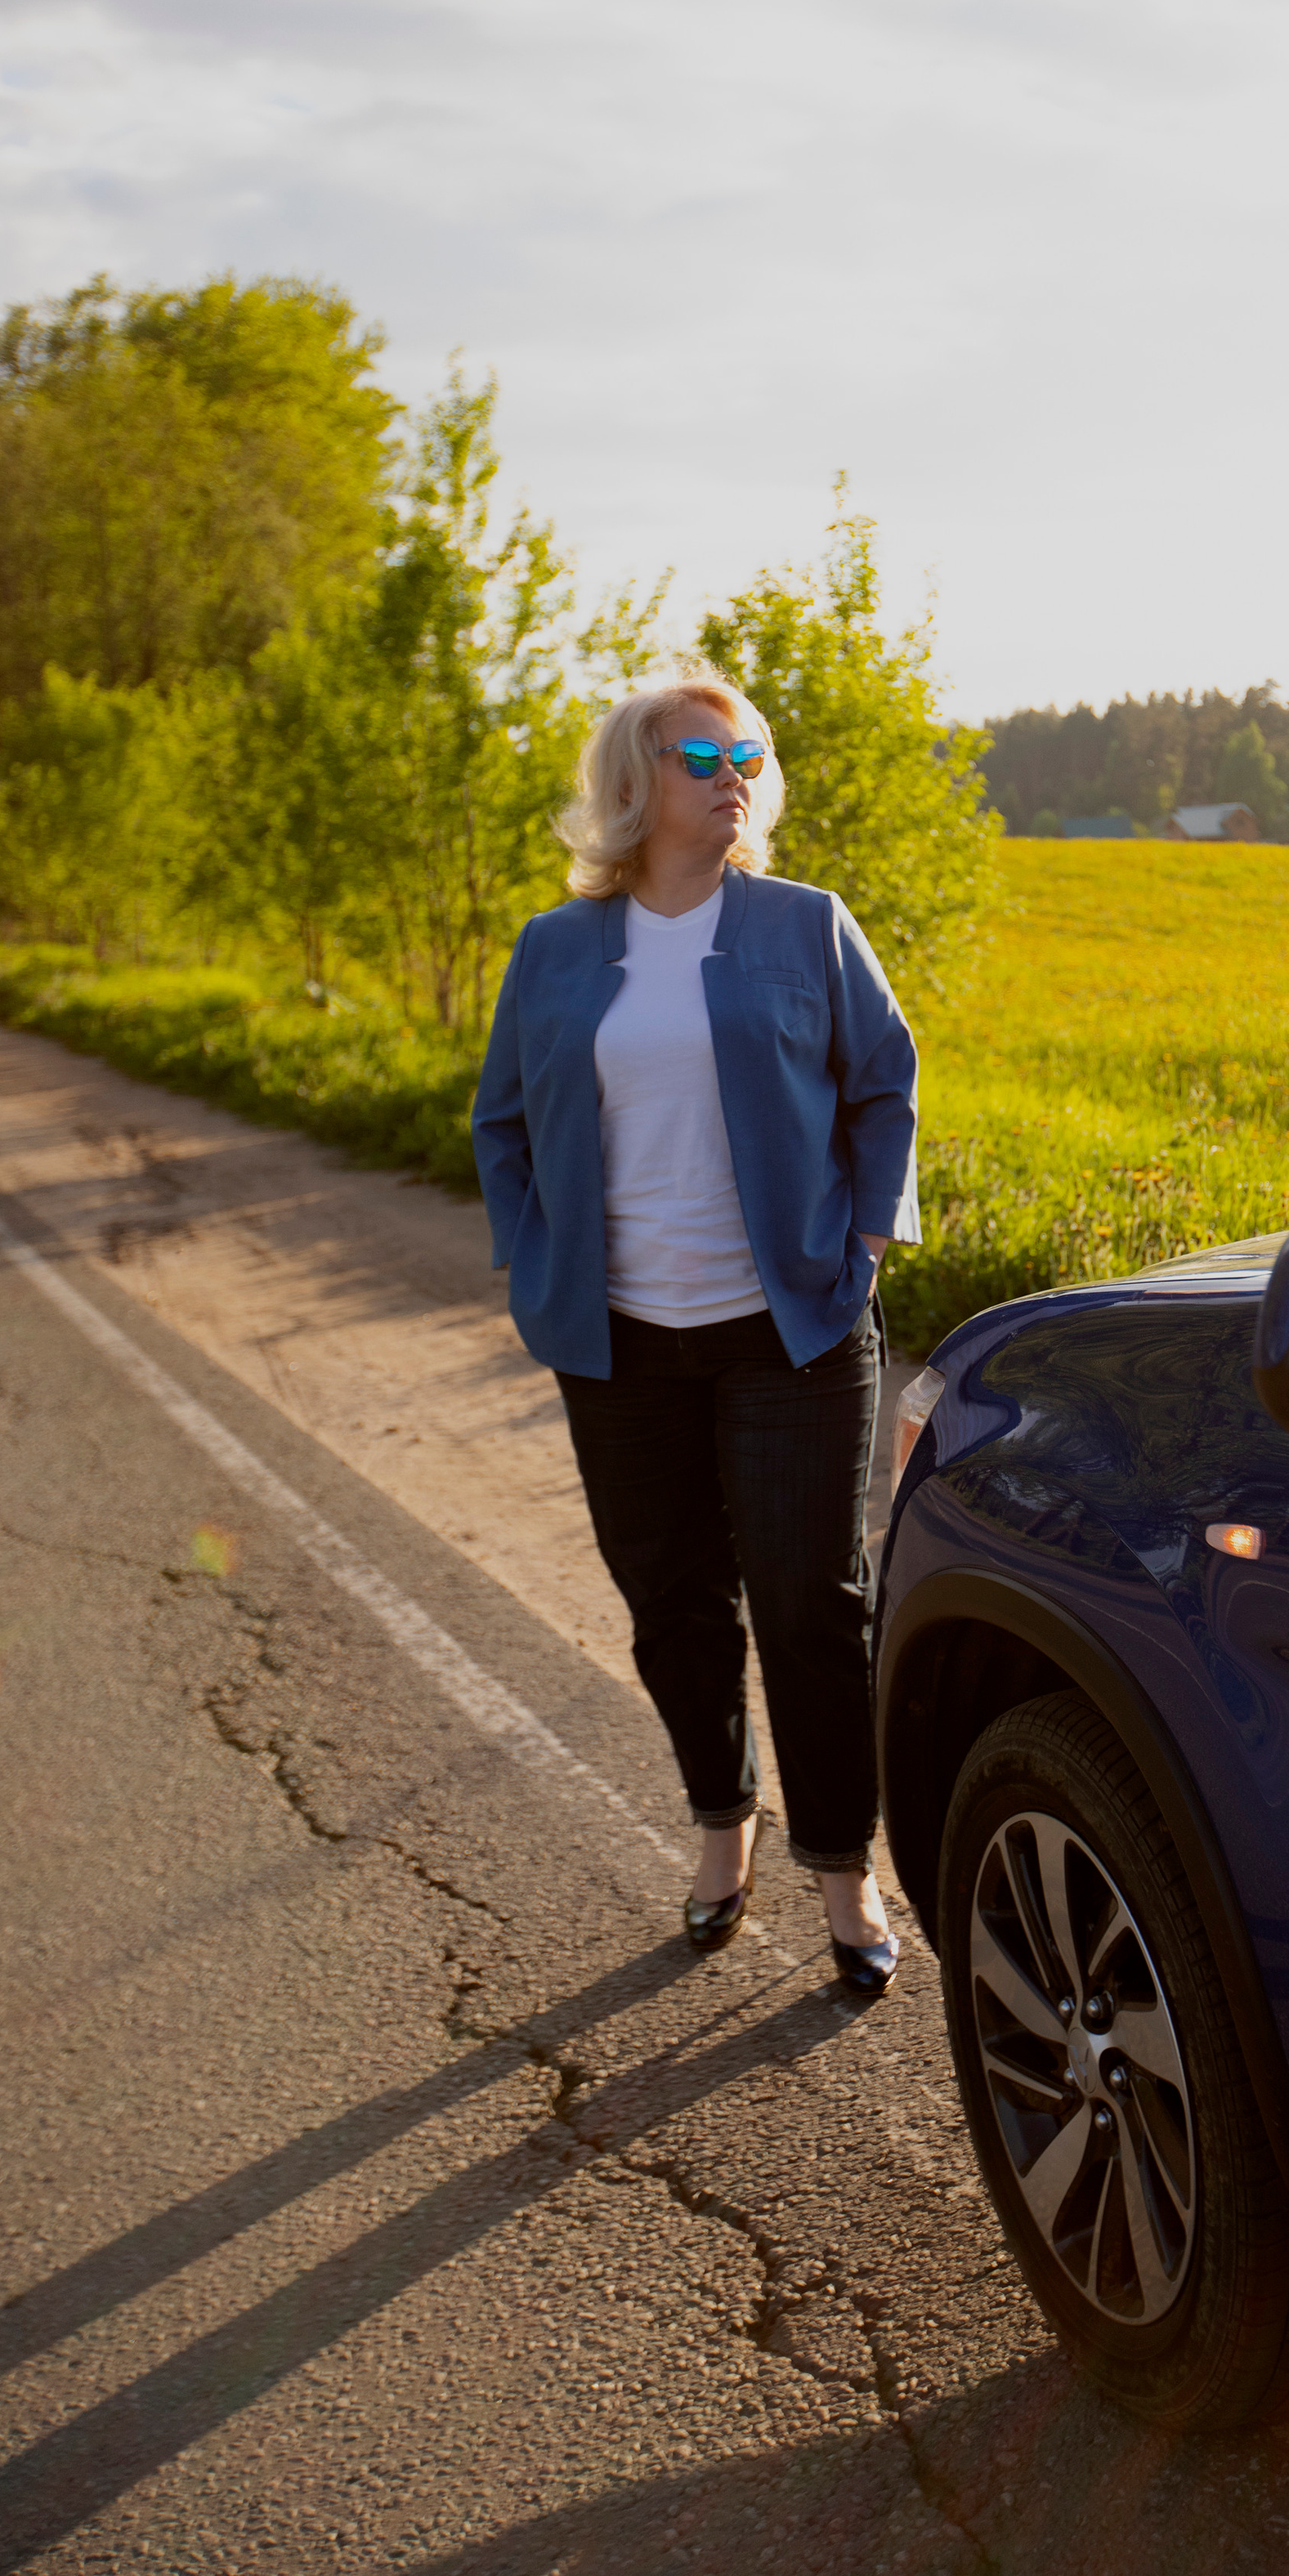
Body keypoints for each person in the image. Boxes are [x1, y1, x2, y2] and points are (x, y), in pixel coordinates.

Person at [472, 668, 920, 1993]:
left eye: (751, 754)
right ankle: (723, 1826)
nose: (736, 773)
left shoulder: (806, 925)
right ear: (635, 785)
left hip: (791, 1329)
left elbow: (886, 1082)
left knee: (811, 1603)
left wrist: (871, 1238)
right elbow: (503, 1123)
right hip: (618, 1340)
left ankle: (845, 1867)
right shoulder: (557, 948)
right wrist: (532, 1252)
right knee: (671, 1603)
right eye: (704, 754)